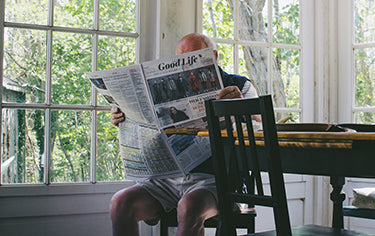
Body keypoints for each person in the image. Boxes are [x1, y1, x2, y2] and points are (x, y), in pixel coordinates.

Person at [109, 33, 258, 236]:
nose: (186, 67)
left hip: (214, 179)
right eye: (181, 61)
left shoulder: (240, 86)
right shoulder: (171, 86)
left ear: (213, 56)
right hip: (166, 179)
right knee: (120, 203)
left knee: (189, 207)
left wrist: (241, 106)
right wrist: (123, 116)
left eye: (193, 58)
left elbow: (261, 125)